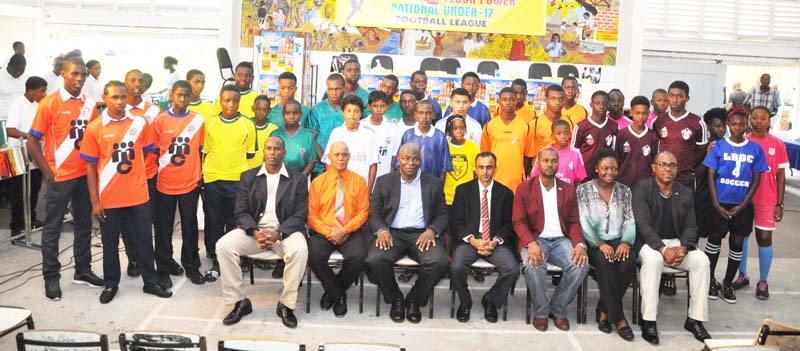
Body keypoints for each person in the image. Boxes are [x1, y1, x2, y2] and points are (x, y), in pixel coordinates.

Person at [80, 80, 172, 303]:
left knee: (143, 239)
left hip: (138, 194)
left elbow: (151, 150)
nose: (120, 102)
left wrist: (138, 173)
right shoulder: (95, 127)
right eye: (114, 97)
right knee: (110, 243)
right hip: (109, 197)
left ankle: (150, 282)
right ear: (105, 97)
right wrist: (95, 201)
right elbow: (90, 167)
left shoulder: (139, 123)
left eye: (123, 97)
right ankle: (111, 284)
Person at [28, 56, 104, 300]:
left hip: (84, 176)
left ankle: (83, 270)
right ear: (63, 73)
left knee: (84, 225)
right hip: (60, 177)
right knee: (52, 228)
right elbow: (32, 141)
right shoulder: (49, 103)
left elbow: (93, 140)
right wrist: (48, 172)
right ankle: (51, 277)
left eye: (83, 75)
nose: (80, 79)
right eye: (75, 74)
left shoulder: (89, 104)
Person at [218, 136, 309, 328]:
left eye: (277, 149)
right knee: (224, 246)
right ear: (263, 152)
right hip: (255, 233)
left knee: (300, 249)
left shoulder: (298, 179)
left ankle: (286, 304)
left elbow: (301, 215)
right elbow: (240, 212)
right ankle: (239, 301)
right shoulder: (248, 177)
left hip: (284, 234)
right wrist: (254, 232)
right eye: (268, 148)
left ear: (284, 153)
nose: (272, 153)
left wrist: (279, 233)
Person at [633, 151, 711, 344]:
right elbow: (643, 225)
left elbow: (691, 226)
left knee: (702, 260)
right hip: (649, 244)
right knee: (653, 261)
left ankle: (695, 319)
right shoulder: (642, 188)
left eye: (672, 165)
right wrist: (663, 249)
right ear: (654, 168)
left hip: (676, 243)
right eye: (663, 164)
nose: (668, 169)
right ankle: (648, 320)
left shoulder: (684, 192)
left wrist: (683, 248)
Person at [366, 142, 449, 324]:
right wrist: (381, 230)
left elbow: (443, 214)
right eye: (405, 158)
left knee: (439, 261)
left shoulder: (434, 183)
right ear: (398, 161)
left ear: (420, 161)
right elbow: (374, 213)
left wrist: (432, 230)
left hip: (421, 234)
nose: (410, 162)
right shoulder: (384, 181)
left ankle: (414, 299)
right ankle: (395, 298)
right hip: (392, 233)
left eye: (414, 159)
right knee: (374, 259)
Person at [513, 148, 589, 332]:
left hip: (561, 240)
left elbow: (573, 222)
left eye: (554, 161)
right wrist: (530, 243)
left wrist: (579, 244)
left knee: (581, 265)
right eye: (546, 160)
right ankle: (541, 312)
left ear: (558, 163)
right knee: (533, 265)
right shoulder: (525, 188)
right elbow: (519, 221)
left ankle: (557, 308)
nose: (550, 164)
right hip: (535, 238)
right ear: (537, 163)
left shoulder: (568, 189)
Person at [703, 108, 767, 304]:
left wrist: (743, 205)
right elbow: (711, 175)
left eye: (741, 124)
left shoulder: (755, 149)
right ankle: (710, 280)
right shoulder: (719, 146)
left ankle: (728, 283)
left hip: (742, 206)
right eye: (734, 124)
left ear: (746, 124)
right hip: (720, 203)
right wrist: (715, 203)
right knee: (714, 242)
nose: (737, 128)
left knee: (737, 245)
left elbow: (756, 179)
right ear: (728, 125)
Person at [450, 152, 518, 323]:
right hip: (470, 240)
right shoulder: (463, 190)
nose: (485, 171)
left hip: (495, 241)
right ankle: (465, 302)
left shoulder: (506, 193)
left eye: (489, 167)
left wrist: (494, 241)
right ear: (475, 169)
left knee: (512, 269)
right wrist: (473, 240)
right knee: (457, 266)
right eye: (481, 167)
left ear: (495, 169)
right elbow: (456, 222)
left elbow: (509, 224)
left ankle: (491, 300)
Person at [576, 149, 635, 341]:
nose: (610, 172)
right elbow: (583, 221)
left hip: (619, 238)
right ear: (596, 168)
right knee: (605, 263)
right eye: (605, 168)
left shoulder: (624, 191)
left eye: (614, 168)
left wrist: (626, 242)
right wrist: (599, 243)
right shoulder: (583, 190)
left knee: (628, 263)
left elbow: (630, 220)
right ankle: (618, 319)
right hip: (593, 241)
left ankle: (603, 309)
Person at [152, 80, 206, 286]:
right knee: (163, 227)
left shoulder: (197, 120)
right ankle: (164, 268)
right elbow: (154, 151)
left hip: (190, 183)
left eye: (186, 95)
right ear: (172, 95)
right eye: (179, 95)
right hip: (165, 183)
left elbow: (201, 151)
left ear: (191, 96)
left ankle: (191, 265)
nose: (182, 99)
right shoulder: (161, 120)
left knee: (190, 226)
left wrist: (199, 176)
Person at [203, 84, 258, 281]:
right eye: (227, 100)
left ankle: (235, 258)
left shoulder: (247, 124)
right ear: (220, 100)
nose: (231, 104)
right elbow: (206, 151)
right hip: (213, 179)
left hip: (237, 180)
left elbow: (251, 153)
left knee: (236, 222)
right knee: (215, 222)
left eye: (235, 100)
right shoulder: (209, 123)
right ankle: (218, 263)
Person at [307, 141, 369, 317]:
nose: (340, 158)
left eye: (344, 155)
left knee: (358, 257)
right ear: (330, 157)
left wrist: (345, 229)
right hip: (324, 230)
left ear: (349, 157)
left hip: (350, 231)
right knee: (313, 255)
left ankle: (332, 291)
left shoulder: (359, 181)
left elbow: (363, 212)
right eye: (337, 155)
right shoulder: (318, 182)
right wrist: (329, 232)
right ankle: (339, 295)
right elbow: (312, 215)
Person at [734, 106, 788, 299]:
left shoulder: (778, 144)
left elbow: (781, 176)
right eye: (754, 118)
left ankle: (763, 281)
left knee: (764, 238)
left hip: (767, 199)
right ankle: (742, 275)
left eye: (762, 118)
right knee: (741, 236)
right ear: (750, 120)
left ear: (769, 121)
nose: (758, 121)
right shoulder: (743, 141)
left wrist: (779, 204)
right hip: (743, 198)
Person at [124, 69, 166, 278]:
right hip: (125, 178)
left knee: (154, 219)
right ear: (125, 83)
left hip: (150, 174)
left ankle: (159, 258)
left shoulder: (154, 110)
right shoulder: (118, 110)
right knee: (129, 223)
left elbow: (162, 139)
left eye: (140, 80)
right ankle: (134, 259)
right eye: (132, 80)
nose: (137, 83)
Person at [6, 76, 47, 236]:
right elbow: (10, 130)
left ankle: (31, 219)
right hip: (18, 152)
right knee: (18, 192)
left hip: (34, 151)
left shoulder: (38, 105)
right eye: (41, 91)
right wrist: (30, 136)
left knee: (34, 189)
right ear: (31, 91)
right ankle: (16, 226)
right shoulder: (18, 104)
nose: (44, 94)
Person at [652, 80, 708, 189]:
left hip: (685, 178)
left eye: (679, 96)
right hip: (662, 177)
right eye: (671, 96)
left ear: (687, 98)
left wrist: (685, 165)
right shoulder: (659, 121)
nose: (675, 100)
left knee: (684, 206)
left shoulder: (697, 122)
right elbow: (655, 149)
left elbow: (701, 152)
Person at [481, 87, 533, 193]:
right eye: (504, 100)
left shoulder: (525, 126)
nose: (508, 103)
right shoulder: (490, 126)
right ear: (498, 101)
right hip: (494, 181)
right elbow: (485, 154)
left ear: (516, 101)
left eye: (511, 99)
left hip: (516, 183)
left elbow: (528, 157)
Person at [324, 95, 378, 190]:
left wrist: (368, 191)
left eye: (356, 111)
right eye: (349, 111)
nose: (352, 114)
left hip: (361, 187)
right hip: (340, 187)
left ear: (361, 113)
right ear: (343, 113)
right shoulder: (336, 133)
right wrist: (333, 186)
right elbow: (328, 163)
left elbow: (373, 165)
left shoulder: (369, 134)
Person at [395, 101, 452, 178]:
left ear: (434, 115)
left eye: (428, 113)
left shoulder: (440, 137)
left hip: (432, 183)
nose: (424, 117)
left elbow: (444, 167)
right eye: (421, 113)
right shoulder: (408, 135)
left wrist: (439, 188)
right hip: (410, 182)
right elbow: (399, 163)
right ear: (415, 115)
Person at [695, 108, 728, 242]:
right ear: (708, 127)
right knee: (696, 229)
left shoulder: (728, 145)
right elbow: (697, 174)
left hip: (721, 193)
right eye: (717, 126)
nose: (722, 129)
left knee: (716, 234)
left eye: (724, 126)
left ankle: (711, 262)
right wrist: (708, 155)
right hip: (702, 194)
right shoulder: (703, 145)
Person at [572, 90, 618, 179]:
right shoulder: (581, 126)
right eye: (597, 103)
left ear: (608, 105)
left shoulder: (614, 126)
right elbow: (574, 152)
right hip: (585, 173)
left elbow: (614, 151)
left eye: (604, 103)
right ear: (591, 104)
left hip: (605, 174)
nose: (601, 106)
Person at [615, 96, 659, 188]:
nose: (641, 117)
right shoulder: (621, 134)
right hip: (623, 184)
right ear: (631, 112)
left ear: (649, 114)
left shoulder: (653, 136)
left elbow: (654, 162)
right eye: (637, 113)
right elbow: (615, 160)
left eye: (644, 113)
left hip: (646, 185)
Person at [308, 74, 345, 177]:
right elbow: (312, 139)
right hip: (320, 167)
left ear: (344, 88)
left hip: (346, 165)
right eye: (330, 89)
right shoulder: (317, 109)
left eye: (337, 89)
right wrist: (325, 161)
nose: (334, 93)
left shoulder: (350, 107)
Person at [271, 99, 318, 177]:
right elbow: (270, 159)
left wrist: (300, 178)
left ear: (301, 114)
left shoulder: (308, 136)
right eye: (288, 113)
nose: (291, 117)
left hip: (300, 179)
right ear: (283, 114)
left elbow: (311, 162)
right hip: (278, 178)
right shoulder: (275, 134)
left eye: (295, 113)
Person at [531, 120, 586, 185]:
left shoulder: (576, 154)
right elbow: (535, 177)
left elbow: (578, 180)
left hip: (567, 193)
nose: (563, 137)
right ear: (552, 135)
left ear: (570, 134)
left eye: (566, 133)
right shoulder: (544, 153)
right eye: (559, 133)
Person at [443, 115, 479, 208]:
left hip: (467, 197)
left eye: (462, 128)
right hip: (448, 197)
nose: (459, 131)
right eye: (455, 128)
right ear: (449, 130)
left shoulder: (472, 148)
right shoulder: (444, 147)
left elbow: (476, 174)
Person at [361, 90, 398, 179]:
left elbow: (394, 155)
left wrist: (391, 177)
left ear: (386, 107)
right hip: (363, 176)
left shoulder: (393, 127)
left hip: (384, 176)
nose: (378, 110)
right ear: (369, 107)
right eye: (375, 106)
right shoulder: (361, 126)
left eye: (382, 106)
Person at [530, 84, 573, 156]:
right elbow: (529, 155)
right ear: (546, 99)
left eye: (560, 99)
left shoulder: (570, 123)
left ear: (564, 100)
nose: (557, 102)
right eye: (553, 98)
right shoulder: (534, 125)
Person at [247, 95, 279, 170]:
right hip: (247, 170)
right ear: (252, 108)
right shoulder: (246, 126)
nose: (260, 112)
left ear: (269, 110)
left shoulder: (274, 129)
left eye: (264, 110)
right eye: (257, 109)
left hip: (267, 172)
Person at [0, 54, 27, 122]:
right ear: (9, 65)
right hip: (3, 119)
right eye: (16, 69)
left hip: (21, 118)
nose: (18, 73)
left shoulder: (26, 77)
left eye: (22, 70)